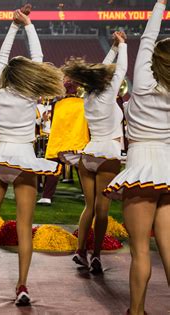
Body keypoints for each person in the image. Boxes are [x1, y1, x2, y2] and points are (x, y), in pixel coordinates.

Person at [0, 8, 65, 305]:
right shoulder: (30, 95)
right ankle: (21, 286)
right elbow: (39, 57)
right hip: (24, 161)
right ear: (28, 75)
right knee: (24, 227)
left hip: (0, 158)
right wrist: (28, 25)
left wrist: (12, 27)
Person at [104, 1, 169, 314]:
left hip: (141, 167)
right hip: (168, 169)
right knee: (169, 248)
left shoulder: (142, 83)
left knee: (141, 250)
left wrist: (159, 4)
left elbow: (147, 39)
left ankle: (137, 310)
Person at [62, 31, 128, 273]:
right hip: (107, 153)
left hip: (88, 155)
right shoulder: (109, 95)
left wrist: (111, 48)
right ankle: (97, 255)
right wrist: (123, 46)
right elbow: (120, 70)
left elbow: (101, 70)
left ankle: (81, 251)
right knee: (102, 211)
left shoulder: (87, 96)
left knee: (88, 207)